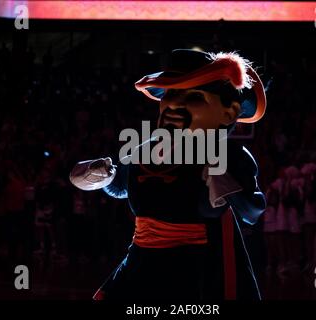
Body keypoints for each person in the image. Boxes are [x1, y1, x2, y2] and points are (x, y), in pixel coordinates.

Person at [70, 49, 267, 300]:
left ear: (227, 113)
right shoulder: (144, 150)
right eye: (171, 93)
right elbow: (122, 187)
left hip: (197, 270)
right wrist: (102, 176)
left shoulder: (229, 154)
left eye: (194, 97)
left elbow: (253, 211)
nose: (174, 104)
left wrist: (231, 190)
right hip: (142, 263)